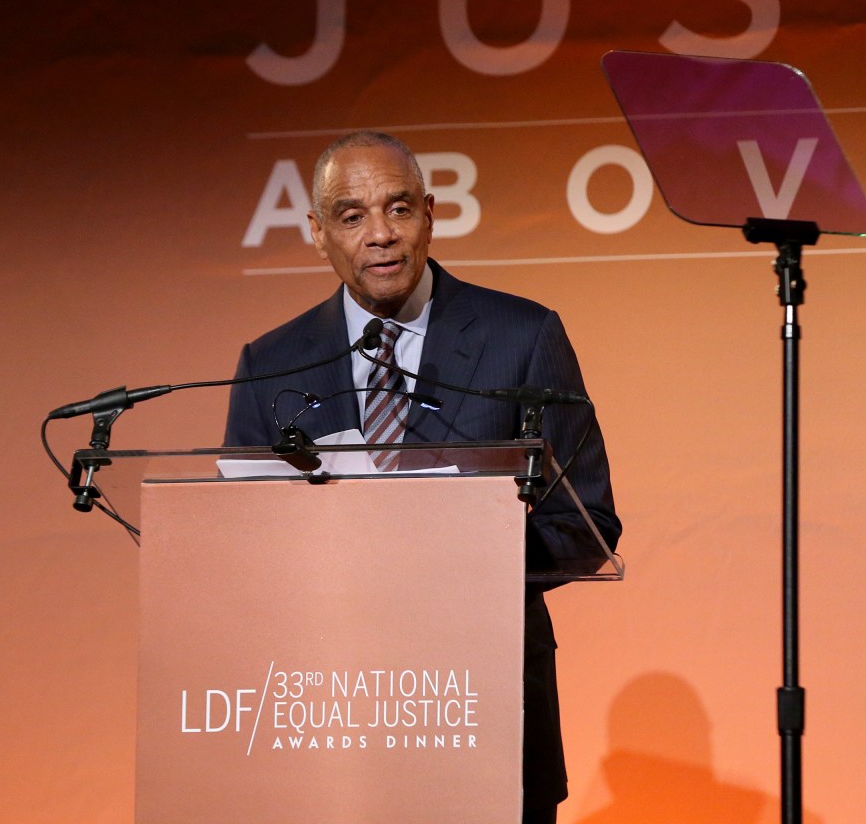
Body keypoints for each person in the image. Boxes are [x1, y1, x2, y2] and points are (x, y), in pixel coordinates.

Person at [224, 129, 621, 824]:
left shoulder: (522, 337)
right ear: (318, 232)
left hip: (485, 701)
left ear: (430, 215)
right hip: (329, 715)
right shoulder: (272, 363)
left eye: (399, 209)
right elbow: (240, 548)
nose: (380, 234)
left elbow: (586, 524)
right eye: (352, 216)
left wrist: (461, 557)